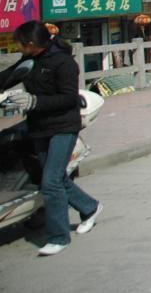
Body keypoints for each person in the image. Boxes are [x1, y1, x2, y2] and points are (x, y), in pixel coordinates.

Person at [1, 21, 102, 256]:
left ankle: (58, 236)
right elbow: (8, 76)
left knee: (51, 182)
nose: (18, 47)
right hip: (39, 127)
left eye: (20, 43)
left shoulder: (64, 63)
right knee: (56, 178)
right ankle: (90, 207)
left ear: (32, 43)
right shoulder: (29, 59)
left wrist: (35, 102)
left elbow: (69, 98)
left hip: (63, 127)